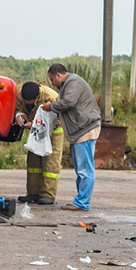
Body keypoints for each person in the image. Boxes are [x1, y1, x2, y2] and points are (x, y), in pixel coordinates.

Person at [43, 63, 101, 212]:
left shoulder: (73, 82)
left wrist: (51, 107)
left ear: (58, 75)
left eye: (52, 79)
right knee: (81, 169)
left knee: (85, 169)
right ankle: (80, 200)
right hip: (79, 131)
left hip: (85, 130)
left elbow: (69, 102)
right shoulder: (67, 85)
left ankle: (82, 203)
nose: (51, 83)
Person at [15, 81, 63, 205]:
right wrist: (20, 116)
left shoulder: (51, 97)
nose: (28, 103)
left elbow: (58, 116)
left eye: (31, 101)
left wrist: (35, 123)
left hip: (53, 130)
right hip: (35, 131)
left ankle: (48, 195)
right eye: (26, 101)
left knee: (50, 163)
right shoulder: (20, 95)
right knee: (33, 163)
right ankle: (32, 193)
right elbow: (18, 108)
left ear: (37, 97)